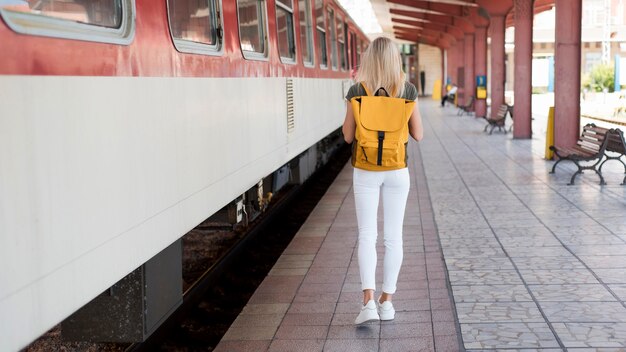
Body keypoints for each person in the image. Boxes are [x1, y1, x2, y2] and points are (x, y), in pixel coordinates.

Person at [342, 37, 423, 325]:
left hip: (365, 170)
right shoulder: (408, 90)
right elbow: (419, 134)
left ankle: (367, 304)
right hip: (397, 170)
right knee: (393, 237)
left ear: (368, 59)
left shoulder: (356, 90)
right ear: (394, 60)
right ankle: (386, 303)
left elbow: (348, 136)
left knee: (367, 235)